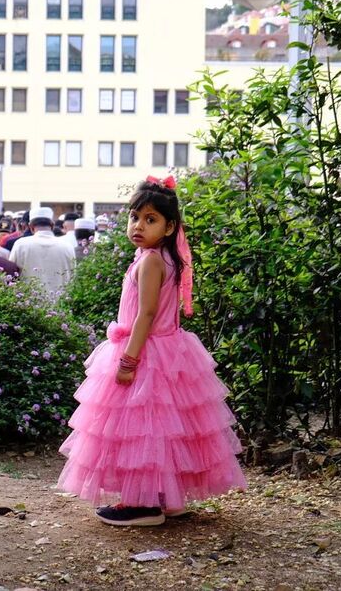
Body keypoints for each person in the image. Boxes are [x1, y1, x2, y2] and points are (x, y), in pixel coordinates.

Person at [57, 176, 246, 526]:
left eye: (150, 219)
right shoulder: (162, 258)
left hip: (146, 351)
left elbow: (145, 313)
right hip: (170, 350)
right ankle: (167, 497)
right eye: (134, 217)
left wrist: (129, 359)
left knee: (139, 428)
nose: (138, 226)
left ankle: (143, 505)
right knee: (165, 427)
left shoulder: (150, 262)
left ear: (170, 226)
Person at [8, 206, 75, 295]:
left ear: (30, 227)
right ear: (52, 225)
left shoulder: (21, 245)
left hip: (28, 305)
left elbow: (12, 274)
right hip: (62, 304)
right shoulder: (67, 246)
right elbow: (73, 277)